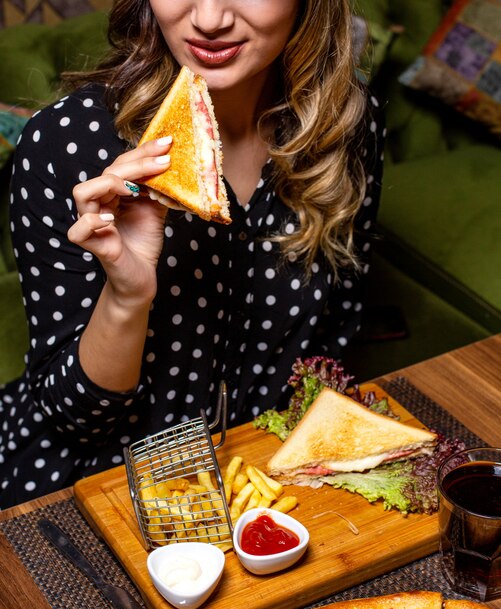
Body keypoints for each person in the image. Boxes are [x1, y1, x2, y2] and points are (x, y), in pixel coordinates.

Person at [0, 0, 384, 508]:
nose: (207, 18)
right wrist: (127, 295)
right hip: (87, 484)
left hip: (260, 479)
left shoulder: (351, 125)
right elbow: (71, 418)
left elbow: (335, 333)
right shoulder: (65, 144)